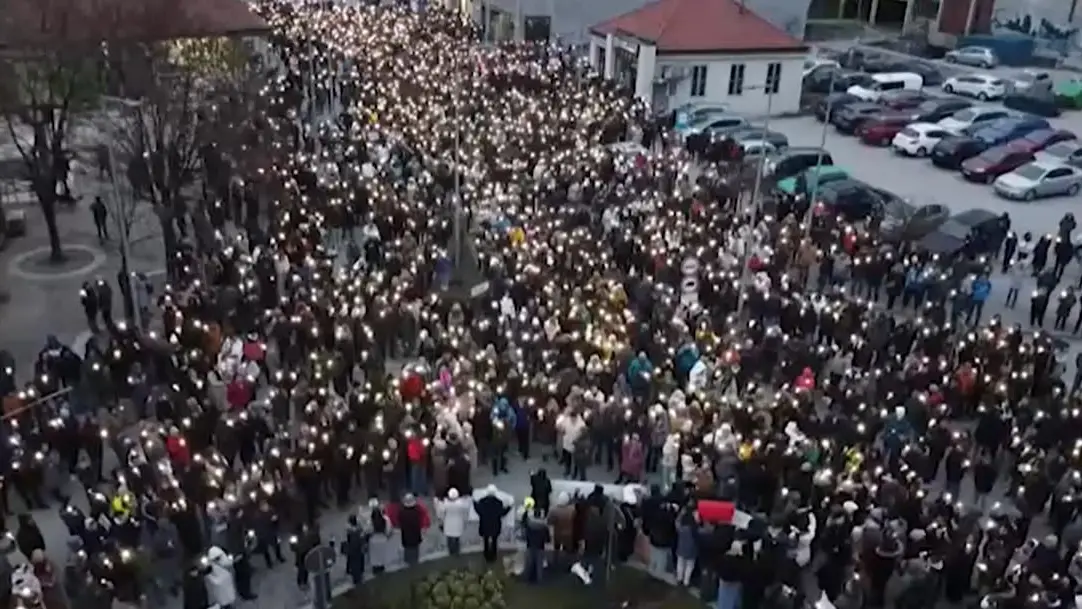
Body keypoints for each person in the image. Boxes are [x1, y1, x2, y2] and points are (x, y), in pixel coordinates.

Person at [475, 485, 511, 563]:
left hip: (485, 524)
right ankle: (493, 555)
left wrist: (474, 503)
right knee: (494, 540)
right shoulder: (498, 502)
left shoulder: (482, 501)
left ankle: (486, 555)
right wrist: (509, 507)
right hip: (495, 525)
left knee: (486, 540)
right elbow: (502, 513)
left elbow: (478, 510)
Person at [436, 488, 470, 556]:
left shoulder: (446, 504)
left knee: (449, 538)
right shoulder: (461, 503)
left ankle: (451, 551)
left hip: (448, 523)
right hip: (458, 523)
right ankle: (457, 551)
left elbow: (440, 512)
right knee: (457, 538)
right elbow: (467, 507)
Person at [342, 514, 368, 587]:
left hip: (352, 551)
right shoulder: (359, 529)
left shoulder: (348, 530)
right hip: (358, 550)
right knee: (359, 565)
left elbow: (344, 541)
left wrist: (344, 550)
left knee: (353, 565)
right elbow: (363, 538)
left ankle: (355, 579)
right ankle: (359, 579)